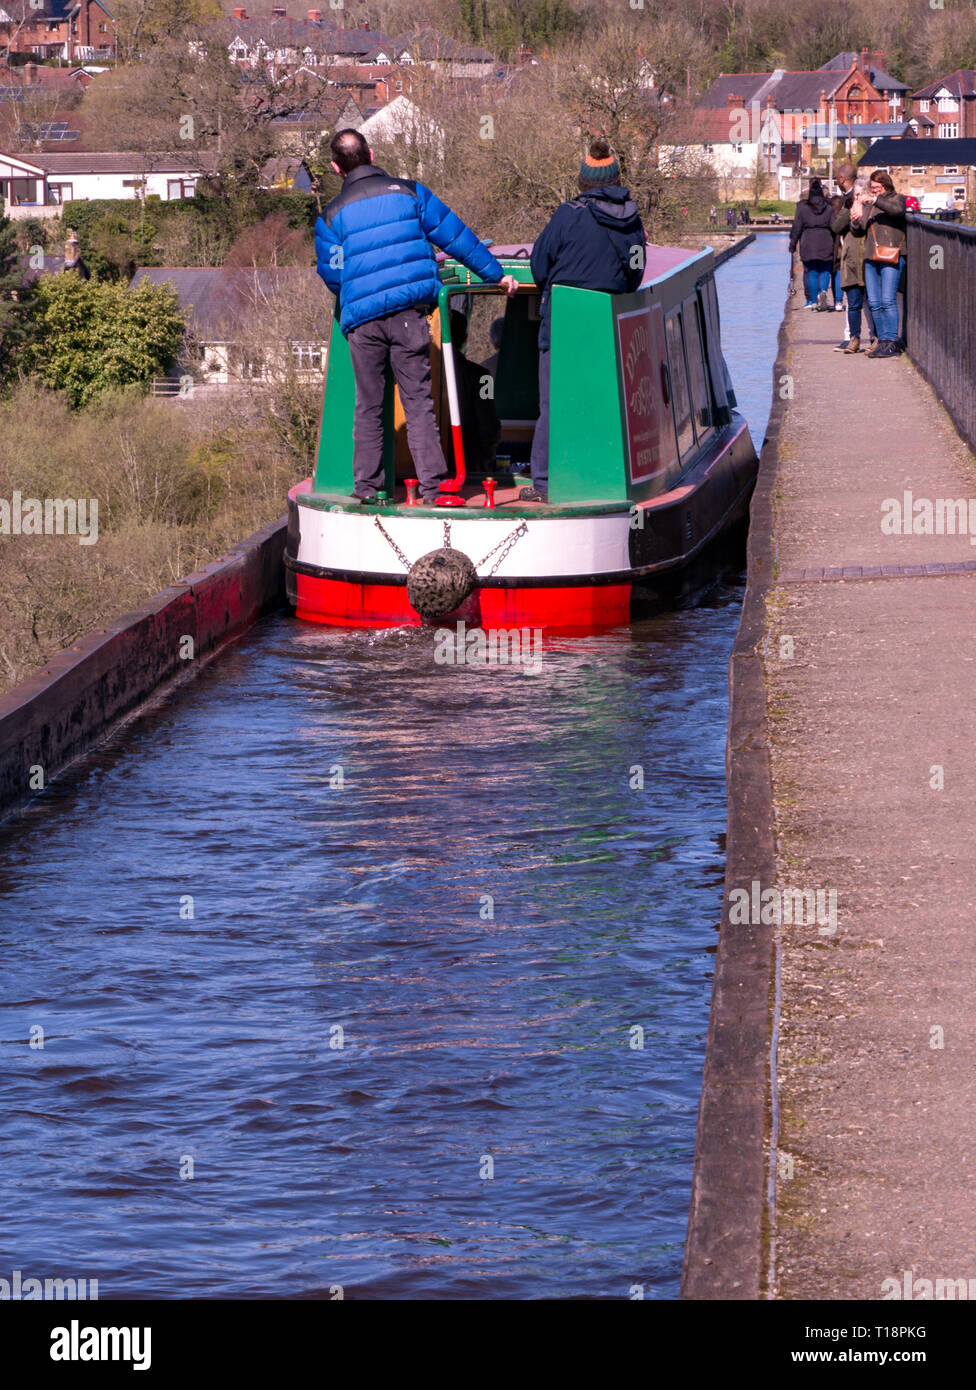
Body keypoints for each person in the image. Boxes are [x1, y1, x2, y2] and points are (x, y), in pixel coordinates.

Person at [314, 128, 517, 503]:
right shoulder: (410, 193)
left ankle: (368, 489)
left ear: (335, 168)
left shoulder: (330, 218)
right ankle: (432, 488)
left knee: (369, 405)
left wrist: (356, 293)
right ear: (372, 153)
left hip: (363, 323)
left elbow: (333, 271)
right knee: (419, 402)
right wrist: (495, 275)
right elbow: (456, 238)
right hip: (409, 314)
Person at [525, 135, 646, 503]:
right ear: (615, 179)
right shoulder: (634, 219)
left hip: (562, 325)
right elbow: (636, 272)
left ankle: (545, 483)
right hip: (607, 325)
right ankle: (598, 476)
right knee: (600, 401)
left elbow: (538, 265)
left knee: (553, 404)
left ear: (584, 180)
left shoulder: (567, 215)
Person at [849, 169, 907, 358]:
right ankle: (882, 340)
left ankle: (891, 341)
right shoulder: (870, 205)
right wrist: (855, 221)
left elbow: (897, 211)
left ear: (886, 185)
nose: (874, 191)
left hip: (891, 254)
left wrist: (875, 200)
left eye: (877, 187)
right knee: (874, 302)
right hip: (871, 256)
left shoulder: (897, 198)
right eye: (872, 188)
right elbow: (860, 231)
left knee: (887, 300)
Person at [448, 310, 500, 473]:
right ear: (465, 338)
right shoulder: (482, 376)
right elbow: (489, 423)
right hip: (469, 461)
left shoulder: (419, 376)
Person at [830, 177, 873, 353]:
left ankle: (875, 338)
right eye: (856, 194)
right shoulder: (847, 209)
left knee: (872, 303)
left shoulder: (873, 210)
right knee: (854, 304)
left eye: (862, 194)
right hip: (852, 263)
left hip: (870, 261)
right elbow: (836, 227)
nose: (859, 198)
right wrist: (850, 209)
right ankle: (854, 339)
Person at [789, 178, 836, 309]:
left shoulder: (803, 208)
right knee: (825, 270)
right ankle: (824, 292)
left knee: (812, 272)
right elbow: (834, 227)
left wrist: (792, 244)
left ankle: (814, 301)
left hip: (808, 241)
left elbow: (797, 227)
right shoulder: (829, 208)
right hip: (825, 240)